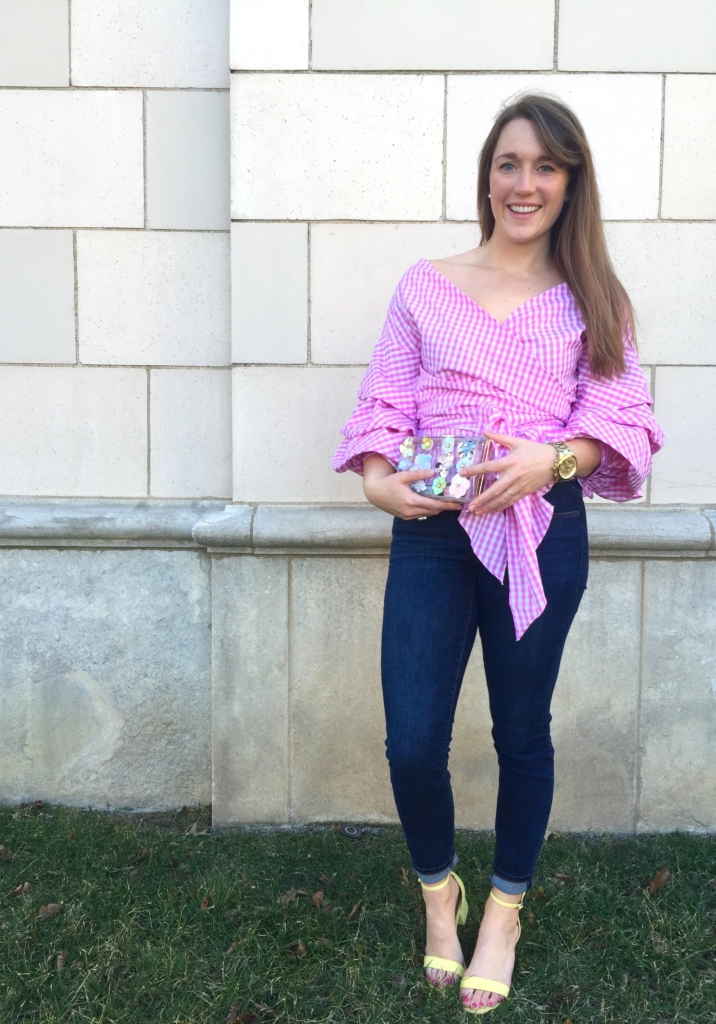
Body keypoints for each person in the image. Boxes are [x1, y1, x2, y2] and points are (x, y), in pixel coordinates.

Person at [332, 93, 663, 1015]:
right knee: (410, 742)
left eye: (546, 167)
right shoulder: (424, 283)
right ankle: (442, 897)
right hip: (433, 531)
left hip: (541, 533)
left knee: (521, 734)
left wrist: (550, 459)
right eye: (510, 163)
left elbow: (622, 424)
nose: (525, 183)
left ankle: (503, 913)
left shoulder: (594, 298)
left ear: (570, 184)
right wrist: (375, 481)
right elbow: (383, 404)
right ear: (488, 173)